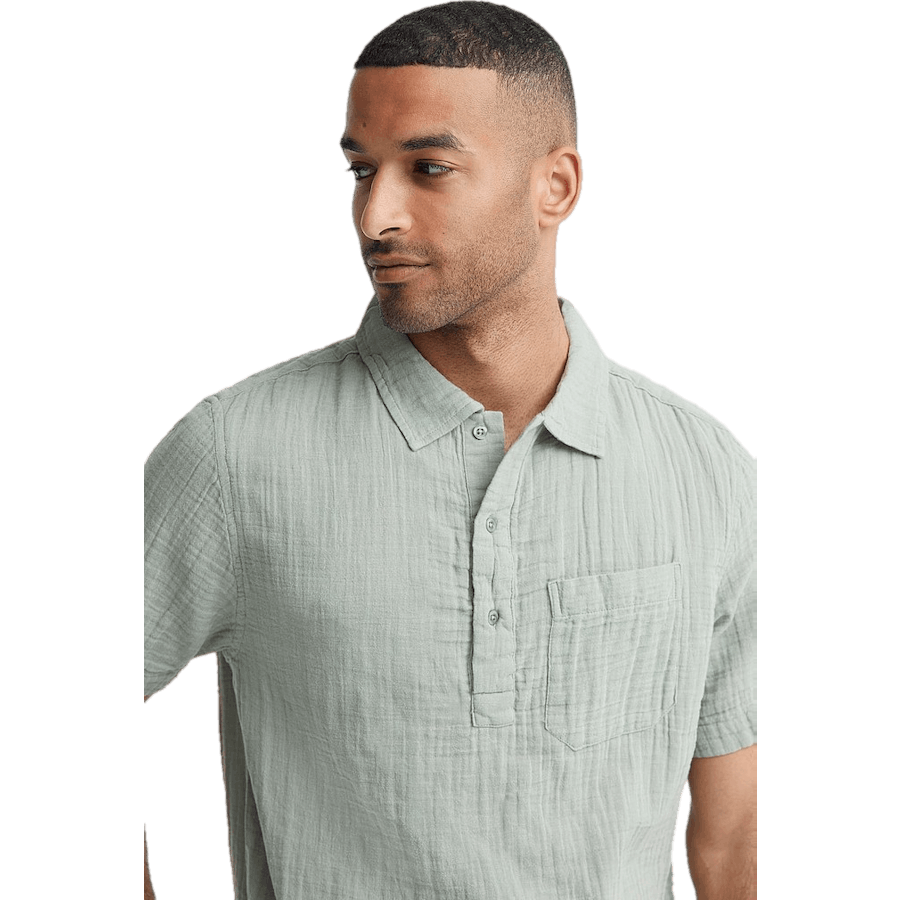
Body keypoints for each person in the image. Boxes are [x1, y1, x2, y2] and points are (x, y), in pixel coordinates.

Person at [143, 2, 757, 898]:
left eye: (428, 168)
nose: (375, 215)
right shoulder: (233, 454)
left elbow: (731, 839)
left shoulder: (708, 470)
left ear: (557, 186)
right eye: (361, 170)